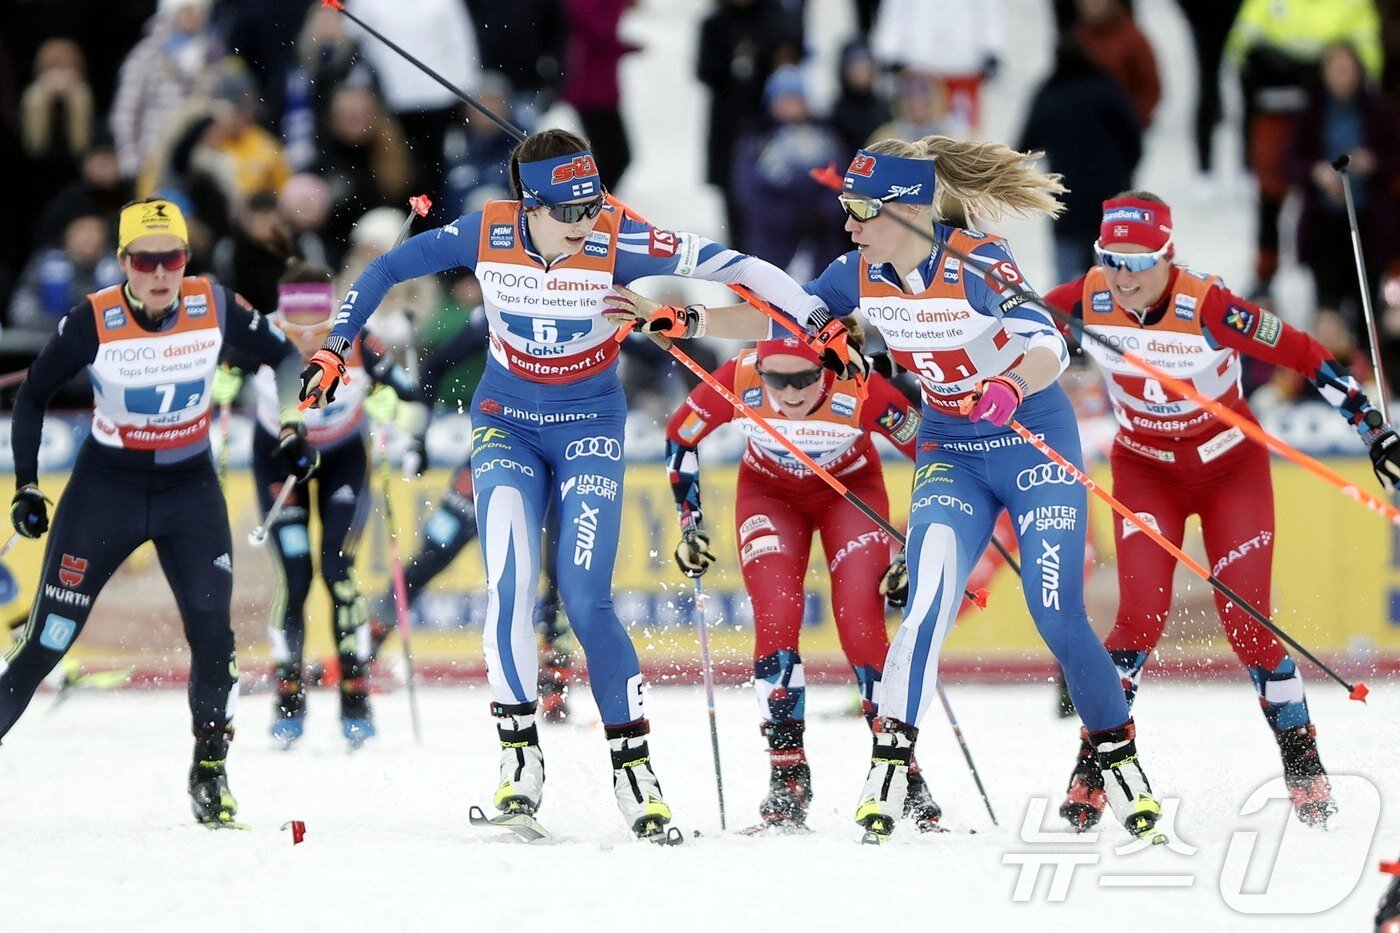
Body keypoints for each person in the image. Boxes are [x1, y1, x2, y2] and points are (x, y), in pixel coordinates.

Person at [607, 138, 1169, 843]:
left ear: (909, 209)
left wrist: (1009, 385)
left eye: (862, 211)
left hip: (1029, 438)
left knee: (1055, 613)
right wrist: (687, 321)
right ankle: (890, 767)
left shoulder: (976, 261)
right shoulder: (858, 272)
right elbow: (785, 319)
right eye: (846, 208)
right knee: (925, 606)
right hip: (952, 449)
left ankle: (1119, 760)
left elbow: (1047, 342)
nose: (848, 224)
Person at [298, 128, 830, 840]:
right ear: (530, 204)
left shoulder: (619, 234)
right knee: (511, 589)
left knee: (584, 598)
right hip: (506, 425)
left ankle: (635, 770)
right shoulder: (487, 231)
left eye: (593, 203)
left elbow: (743, 269)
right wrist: (336, 346)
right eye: (570, 210)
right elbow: (386, 268)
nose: (586, 221)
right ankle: (519, 763)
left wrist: (817, 320)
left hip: (588, 428)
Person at [1043, 192, 1400, 828]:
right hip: (1146, 469)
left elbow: (1303, 353)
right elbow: (1005, 327)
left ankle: (1302, 760)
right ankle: (1093, 767)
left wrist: (1373, 428)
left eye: (1138, 261)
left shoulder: (1209, 307)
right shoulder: (1085, 299)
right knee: (1138, 619)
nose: (1122, 276)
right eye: (1110, 259)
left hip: (1230, 469)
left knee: (1248, 622)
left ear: (1168, 255)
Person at [2, 198, 315, 826]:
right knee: (48, 639)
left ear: (185, 259)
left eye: (170, 258)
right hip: (106, 489)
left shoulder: (214, 304)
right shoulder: (93, 318)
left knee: (214, 637)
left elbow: (285, 357)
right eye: (144, 261)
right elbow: (33, 394)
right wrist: (27, 487)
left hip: (187, 490)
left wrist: (290, 424)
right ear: (123, 263)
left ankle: (210, 773)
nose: (159, 273)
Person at [663, 334, 930, 830]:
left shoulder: (860, 384)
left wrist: (914, 551)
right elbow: (681, 435)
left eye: (805, 379)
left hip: (850, 493)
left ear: (825, 366)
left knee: (862, 628)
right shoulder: (738, 376)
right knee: (776, 619)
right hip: (768, 496)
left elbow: (932, 455)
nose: (789, 393)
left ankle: (902, 772)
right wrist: (690, 525)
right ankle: (788, 777)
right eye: (776, 380)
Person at [211, 261, 426, 748]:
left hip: (343, 459)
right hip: (279, 460)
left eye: (319, 328)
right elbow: (210, 378)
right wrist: (220, 384)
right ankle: (288, 696)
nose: (308, 341)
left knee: (336, 569)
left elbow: (416, 403)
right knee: (295, 575)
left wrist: (394, 409)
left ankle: (355, 693)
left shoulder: (358, 339)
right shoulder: (260, 335)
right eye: (296, 328)